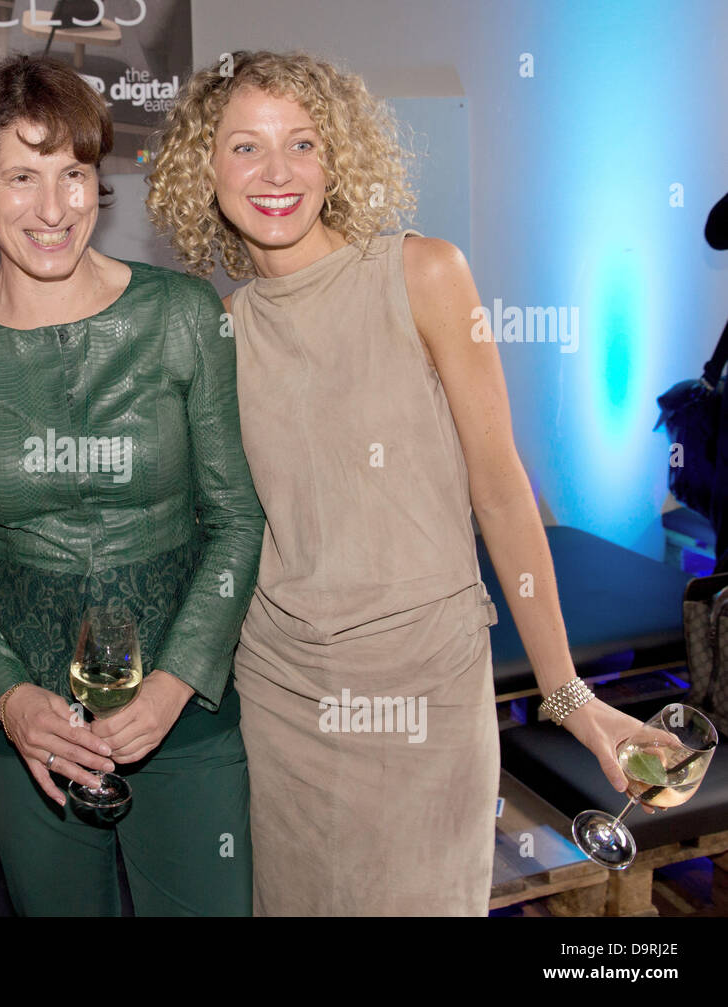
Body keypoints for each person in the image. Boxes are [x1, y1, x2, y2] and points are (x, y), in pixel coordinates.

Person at [147, 50, 646, 915]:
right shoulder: (219, 330)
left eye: (301, 143)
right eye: (245, 147)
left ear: (336, 156)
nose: (277, 174)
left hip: (425, 698)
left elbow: (502, 493)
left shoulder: (424, 275)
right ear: (204, 169)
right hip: (281, 699)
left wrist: (567, 694)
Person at [0, 54, 264, 916]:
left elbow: (236, 517)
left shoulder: (183, 313)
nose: (55, 209)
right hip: (27, 731)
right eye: (22, 176)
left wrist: (175, 681)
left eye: (74, 174)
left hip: (185, 711)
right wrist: (11, 698)